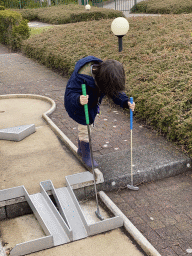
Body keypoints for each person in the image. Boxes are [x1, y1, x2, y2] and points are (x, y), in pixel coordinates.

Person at [64, 56, 135, 168]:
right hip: (78, 106)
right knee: (85, 129)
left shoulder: (106, 75)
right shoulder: (80, 76)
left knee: (88, 128)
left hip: (91, 104)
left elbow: (115, 92)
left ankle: (81, 150)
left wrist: (126, 102)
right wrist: (78, 99)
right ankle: (86, 156)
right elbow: (70, 94)